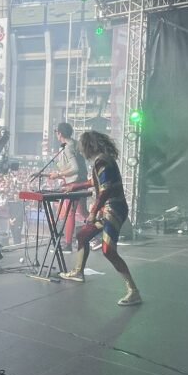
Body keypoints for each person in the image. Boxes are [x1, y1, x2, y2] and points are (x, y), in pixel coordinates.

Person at [60, 130, 141, 305]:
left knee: (108, 250)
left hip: (113, 210)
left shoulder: (102, 161)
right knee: (83, 235)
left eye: (82, 147)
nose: (81, 150)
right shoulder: (102, 160)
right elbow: (94, 182)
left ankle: (133, 291)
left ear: (88, 146)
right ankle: (78, 272)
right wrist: (75, 186)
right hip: (108, 209)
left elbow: (104, 190)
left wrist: (92, 213)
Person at [47, 121, 88, 250]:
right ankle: (101, 231)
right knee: (83, 211)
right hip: (82, 181)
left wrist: (58, 174)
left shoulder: (68, 148)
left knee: (70, 213)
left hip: (74, 184)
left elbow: (75, 168)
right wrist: (58, 174)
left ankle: (68, 243)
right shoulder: (75, 144)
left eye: (56, 132)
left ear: (59, 133)